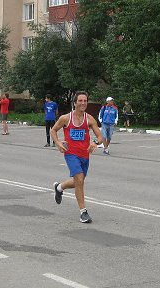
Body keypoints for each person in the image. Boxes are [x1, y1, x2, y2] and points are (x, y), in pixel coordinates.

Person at [50, 91, 103, 223]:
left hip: (85, 154)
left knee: (78, 182)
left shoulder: (90, 119)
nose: (83, 103)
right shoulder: (65, 118)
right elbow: (53, 130)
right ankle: (83, 212)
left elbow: (101, 137)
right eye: (80, 101)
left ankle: (59, 187)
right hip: (70, 154)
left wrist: (94, 142)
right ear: (75, 103)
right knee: (79, 178)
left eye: (85, 101)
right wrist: (57, 143)